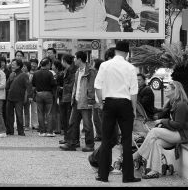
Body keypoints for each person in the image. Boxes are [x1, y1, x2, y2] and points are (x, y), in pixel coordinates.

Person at [94, 41, 141, 183]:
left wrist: (101, 102)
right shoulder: (130, 67)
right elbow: (134, 91)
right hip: (125, 103)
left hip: (109, 102)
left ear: (115, 51)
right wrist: (133, 109)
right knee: (126, 140)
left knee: (106, 139)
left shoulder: (105, 65)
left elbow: (97, 85)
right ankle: (128, 176)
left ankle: (103, 175)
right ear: (127, 53)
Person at [132, 81, 188, 179]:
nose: (165, 89)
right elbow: (164, 115)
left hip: (183, 135)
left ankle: (137, 155)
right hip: (176, 134)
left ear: (175, 90)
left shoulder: (181, 104)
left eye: (168, 88)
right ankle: (154, 171)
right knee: (157, 142)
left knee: (154, 131)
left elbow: (178, 125)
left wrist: (162, 121)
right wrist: (159, 120)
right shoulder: (173, 103)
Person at [60, 51, 96, 152]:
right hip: (76, 100)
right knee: (72, 123)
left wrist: (91, 100)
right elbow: (76, 86)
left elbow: (92, 87)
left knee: (87, 124)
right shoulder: (77, 71)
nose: (74, 60)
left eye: (75, 58)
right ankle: (72, 143)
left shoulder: (90, 71)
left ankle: (90, 145)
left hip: (85, 101)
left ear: (80, 59)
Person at [32, 58, 57, 137]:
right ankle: (49, 132)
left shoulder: (35, 73)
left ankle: (42, 131)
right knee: (49, 113)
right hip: (48, 93)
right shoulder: (49, 73)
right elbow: (53, 84)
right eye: (49, 64)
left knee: (40, 113)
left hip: (38, 93)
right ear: (46, 65)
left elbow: (33, 84)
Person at [5, 59, 29, 136]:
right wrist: (10, 79)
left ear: (19, 65)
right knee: (9, 115)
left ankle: (20, 131)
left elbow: (28, 87)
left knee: (19, 115)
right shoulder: (12, 74)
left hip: (19, 98)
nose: (12, 65)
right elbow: (7, 86)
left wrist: (29, 96)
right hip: (10, 97)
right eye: (12, 64)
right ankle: (10, 131)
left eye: (14, 64)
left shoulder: (24, 75)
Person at [59, 54, 77, 145]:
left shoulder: (72, 71)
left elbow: (72, 84)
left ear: (64, 61)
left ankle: (70, 139)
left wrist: (63, 87)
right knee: (64, 119)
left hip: (69, 97)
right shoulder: (66, 70)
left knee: (68, 119)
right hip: (65, 97)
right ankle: (66, 138)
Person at [92, 59, 105, 141]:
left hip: (100, 100)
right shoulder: (94, 74)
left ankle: (103, 135)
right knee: (96, 119)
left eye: (93, 64)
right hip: (95, 99)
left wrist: (100, 101)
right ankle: (99, 135)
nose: (92, 66)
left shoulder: (102, 75)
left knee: (100, 119)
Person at [52, 60, 64, 134]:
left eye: (53, 65)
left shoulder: (60, 74)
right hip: (58, 94)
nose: (52, 66)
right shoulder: (57, 74)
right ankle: (58, 128)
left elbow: (59, 85)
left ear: (56, 67)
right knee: (58, 111)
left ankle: (59, 128)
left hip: (59, 95)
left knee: (59, 111)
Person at [28, 59, 39, 130]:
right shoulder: (27, 72)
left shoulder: (38, 72)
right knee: (25, 109)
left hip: (35, 93)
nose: (33, 65)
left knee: (35, 109)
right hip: (27, 92)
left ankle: (35, 124)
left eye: (35, 63)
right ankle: (25, 124)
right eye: (32, 63)